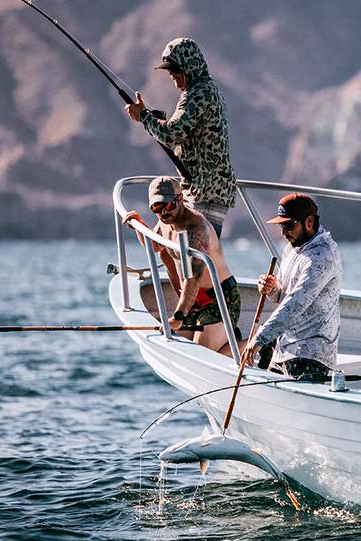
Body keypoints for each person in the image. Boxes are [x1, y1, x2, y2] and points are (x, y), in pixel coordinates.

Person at [124, 37, 240, 332]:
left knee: (198, 260)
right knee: (178, 249)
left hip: (207, 192)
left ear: (189, 68)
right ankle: (191, 315)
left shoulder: (198, 94)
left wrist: (145, 118)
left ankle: (207, 322)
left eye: (176, 71)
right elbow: (185, 128)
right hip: (203, 190)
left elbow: (173, 134)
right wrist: (153, 118)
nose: (173, 78)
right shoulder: (204, 92)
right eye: (170, 72)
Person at [123, 176, 240, 354]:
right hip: (194, 302)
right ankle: (228, 336)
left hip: (220, 299)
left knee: (203, 356)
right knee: (180, 349)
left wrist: (178, 316)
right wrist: (140, 226)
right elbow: (155, 246)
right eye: (157, 207)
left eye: (168, 205)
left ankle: (251, 342)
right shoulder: (165, 222)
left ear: (180, 199)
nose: (163, 213)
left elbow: (192, 279)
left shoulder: (196, 230)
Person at [242, 193, 342, 380]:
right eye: (281, 225)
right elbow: (283, 297)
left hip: (311, 354)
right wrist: (272, 289)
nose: (283, 232)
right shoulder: (292, 247)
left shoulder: (323, 256)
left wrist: (259, 338)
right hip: (285, 346)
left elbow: (295, 303)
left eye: (288, 225)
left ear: (309, 222)